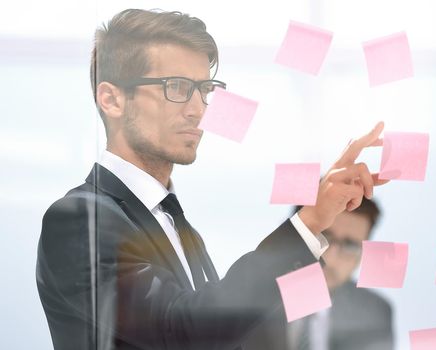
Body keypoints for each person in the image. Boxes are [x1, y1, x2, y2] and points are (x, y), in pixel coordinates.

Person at [36, 8, 388, 350]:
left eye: (204, 89)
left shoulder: (176, 224)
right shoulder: (80, 219)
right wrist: (309, 222)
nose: (198, 109)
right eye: (175, 87)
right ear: (112, 99)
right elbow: (183, 332)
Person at [243, 199, 394, 350]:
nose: (330, 257)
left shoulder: (374, 312)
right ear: (295, 235)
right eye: (322, 237)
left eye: (350, 245)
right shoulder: (247, 296)